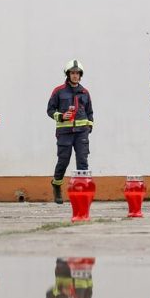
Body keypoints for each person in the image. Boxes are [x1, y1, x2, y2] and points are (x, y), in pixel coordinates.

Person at [47, 59, 93, 205]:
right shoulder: (58, 91)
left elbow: (90, 113)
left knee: (82, 162)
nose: (75, 75)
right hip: (65, 133)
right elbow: (50, 110)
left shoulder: (85, 92)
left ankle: (82, 193)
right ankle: (56, 184)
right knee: (63, 161)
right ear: (68, 74)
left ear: (80, 75)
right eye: (72, 73)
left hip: (81, 134)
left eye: (77, 73)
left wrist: (89, 127)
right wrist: (61, 116)